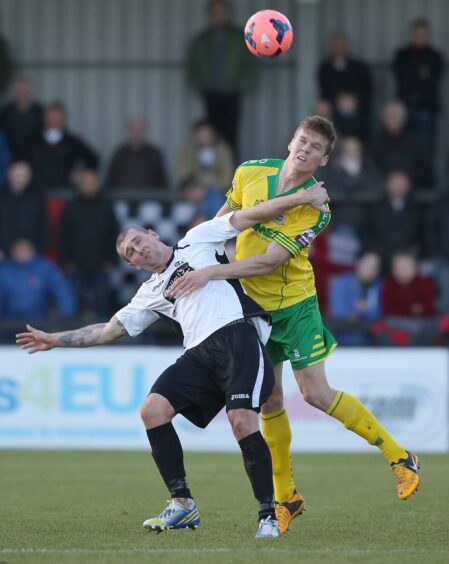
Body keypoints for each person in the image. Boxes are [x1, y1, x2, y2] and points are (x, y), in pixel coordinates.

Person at [16, 182, 330, 538]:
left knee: (241, 420)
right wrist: (53, 340)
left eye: (138, 241)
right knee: (152, 410)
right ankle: (182, 504)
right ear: (133, 265)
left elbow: (249, 214)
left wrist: (302, 197)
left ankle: (267, 516)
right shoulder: (149, 292)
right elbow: (108, 331)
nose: (139, 250)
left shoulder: (198, 239)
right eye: (131, 253)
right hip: (198, 352)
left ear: (152, 234)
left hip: (238, 334)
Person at [169, 115, 420, 534]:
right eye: (303, 140)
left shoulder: (316, 208)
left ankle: (399, 456)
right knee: (269, 402)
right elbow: (222, 221)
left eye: (315, 148)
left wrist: (211, 274)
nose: (305, 149)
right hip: (252, 309)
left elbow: (269, 261)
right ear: (291, 141)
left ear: (323, 160)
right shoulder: (249, 171)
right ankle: (287, 499)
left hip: (295, 305)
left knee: (316, 394)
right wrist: (200, 255)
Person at [186, 0, 258, 152]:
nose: (218, 16)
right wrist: (201, 85)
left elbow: (251, 63)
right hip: (211, 94)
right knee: (210, 135)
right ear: (210, 15)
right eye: (215, 13)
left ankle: (233, 173)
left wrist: (241, 85)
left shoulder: (239, 37)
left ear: (228, 14)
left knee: (231, 135)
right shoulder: (203, 39)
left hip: (232, 94)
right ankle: (212, 173)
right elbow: (192, 65)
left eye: (221, 12)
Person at [59, 168, 119, 316]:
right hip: (76, 264)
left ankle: (105, 338)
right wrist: (67, 261)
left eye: (92, 182)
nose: (88, 186)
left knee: (102, 305)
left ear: (98, 184)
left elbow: (115, 234)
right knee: (75, 304)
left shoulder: (106, 206)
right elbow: (63, 235)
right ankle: (74, 338)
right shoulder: (71, 207)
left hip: (101, 264)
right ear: (79, 185)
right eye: (85, 183)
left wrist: (111, 260)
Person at [392, 18, 444, 154]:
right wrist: (421, 72)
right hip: (405, 109)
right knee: (405, 148)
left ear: (428, 36)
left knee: (426, 150)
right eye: (417, 34)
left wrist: (414, 73)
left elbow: (432, 81)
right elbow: (402, 78)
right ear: (412, 35)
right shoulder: (402, 55)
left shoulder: (435, 56)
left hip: (427, 109)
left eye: (423, 34)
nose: (420, 37)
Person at [0, 238, 76, 320]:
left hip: (39, 323)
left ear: (33, 250)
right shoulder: (4, 270)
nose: (23, 254)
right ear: (13, 252)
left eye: (26, 250)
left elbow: (61, 289)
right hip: (8, 324)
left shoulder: (45, 268)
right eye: (19, 250)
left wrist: (66, 312)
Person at [361, 170, 421, 271]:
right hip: (380, 254)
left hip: (406, 255)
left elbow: (420, 237)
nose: (398, 187)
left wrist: (409, 253)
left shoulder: (416, 210)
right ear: (387, 184)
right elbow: (365, 233)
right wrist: (378, 251)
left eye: (401, 184)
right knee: (369, 263)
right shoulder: (375, 208)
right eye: (395, 183)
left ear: (408, 186)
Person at [31, 101, 99, 191]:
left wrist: (82, 173)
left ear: (64, 119)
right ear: (45, 118)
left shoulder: (72, 141)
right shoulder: (34, 141)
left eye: (58, 117)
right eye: (52, 117)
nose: (55, 120)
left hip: (65, 193)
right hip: (37, 193)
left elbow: (94, 159)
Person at [373, 101, 432, 189]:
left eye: (396, 117)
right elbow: (373, 168)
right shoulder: (376, 142)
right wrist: (388, 181)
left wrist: (407, 180)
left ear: (403, 119)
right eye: (389, 117)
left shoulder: (415, 142)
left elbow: (423, 167)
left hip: (413, 193)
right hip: (382, 191)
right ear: (383, 120)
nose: (393, 121)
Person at [328, 252, 383, 345]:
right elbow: (337, 311)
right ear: (358, 264)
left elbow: (379, 313)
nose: (371, 270)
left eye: (375, 267)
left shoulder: (380, 285)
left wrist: (364, 311)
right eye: (367, 265)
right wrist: (359, 312)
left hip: (370, 343)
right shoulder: (342, 282)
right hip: (342, 341)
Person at [318, 32, 372, 118]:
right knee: (321, 107)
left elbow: (367, 90)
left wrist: (354, 100)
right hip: (333, 105)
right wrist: (337, 101)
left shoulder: (359, 67)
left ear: (347, 47)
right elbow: (324, 92)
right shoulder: (325, 68)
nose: (338, 48)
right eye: (335, 46)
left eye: (341, 45)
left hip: (356, 106)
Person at [105, 117, 168, 190]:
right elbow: (110, 182)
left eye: (140, 130)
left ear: (145, 132)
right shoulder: (119, 154)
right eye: (133, 130)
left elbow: (163, 183)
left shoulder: (155, 154)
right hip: (123, 198)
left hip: (149, 198)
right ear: (127, 131)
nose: (136, 134)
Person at [0, 162, 47, 259]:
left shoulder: (37, 199)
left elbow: (44, 227)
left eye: (23, 176)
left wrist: (37, 251)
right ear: (9, 175)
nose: (19, 179)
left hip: (31, 256)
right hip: (3, 255)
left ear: (29, 177)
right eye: (17, 175)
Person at [177, 119, 234, 192]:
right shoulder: (188, 150)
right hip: (192, 193)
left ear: (214, 135)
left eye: (207, 135)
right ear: (195, 136)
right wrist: (210, 178)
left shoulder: (223, 150)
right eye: (201, 135)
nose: (204, 139)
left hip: (220, 192)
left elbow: (227, 179)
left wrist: (203, 185)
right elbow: (183, 175)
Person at [0, 75, 44, 162]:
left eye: (26, 89)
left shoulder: (40, 112)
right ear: (15, 90)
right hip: (9, 159)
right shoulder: (5, 112)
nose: (23, 92)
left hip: (35, 160)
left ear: (31, 91)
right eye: (20, 89)